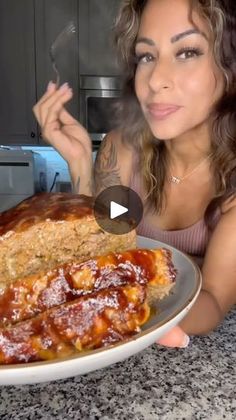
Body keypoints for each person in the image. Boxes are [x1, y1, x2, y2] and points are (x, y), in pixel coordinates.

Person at [33, 0, 236, 348]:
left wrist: (134, 304)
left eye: (187, 51)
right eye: (146, 56)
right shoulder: (122, 150)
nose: (155, 80)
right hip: (109, 348)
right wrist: (80, 164)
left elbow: (213, 301)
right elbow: (103, 243)